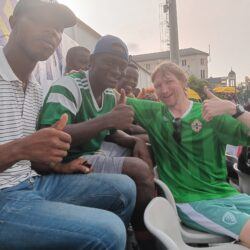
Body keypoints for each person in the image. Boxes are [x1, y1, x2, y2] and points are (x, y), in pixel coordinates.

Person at [0, 1, 136, 249]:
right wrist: (20, 149)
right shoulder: (66, 86)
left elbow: (34, 160)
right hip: (4, 198)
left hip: (33, 183)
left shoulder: (35, 90)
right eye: (40, 21)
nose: (52, 32)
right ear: (13, 23)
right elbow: (22, 151)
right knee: (109, 232)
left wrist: (59, 166)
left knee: (125, 187)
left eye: (58, 28)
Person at [39, 35, 155, 249]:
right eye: (110, 62)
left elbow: (109, 132)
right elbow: (50, 137)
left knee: (148, 150)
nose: (117, 71)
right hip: (65, 164)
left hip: (91, 155)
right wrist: (108, 119)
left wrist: (133, 141)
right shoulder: (70, 85)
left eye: (121, 65)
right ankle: (145, 241)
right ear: (92, 61)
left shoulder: (110, 94)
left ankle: (132, 227)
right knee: (138, 170)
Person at [126, 61, 250, 247]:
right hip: (192, 201)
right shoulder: (153, 112)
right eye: (158, 85)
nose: (164, 89)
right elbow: (112, 97)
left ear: (184, 82)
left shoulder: (210, 113)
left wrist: (234, 109)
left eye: (169, 81)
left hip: (226, 194)